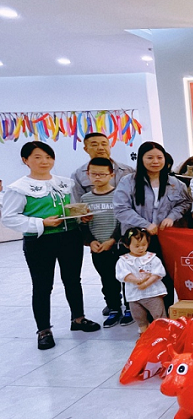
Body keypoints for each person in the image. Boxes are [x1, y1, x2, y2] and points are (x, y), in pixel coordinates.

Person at [2, 142, 100, 350]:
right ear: (25, 160)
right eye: (37, 157)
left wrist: (82, 216)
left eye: (48, 157)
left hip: (70, 237)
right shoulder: (19, 188)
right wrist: (41, 223)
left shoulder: (65, 183)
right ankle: (44, 330)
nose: (44, 161)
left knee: (73, 280)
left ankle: (78, 318)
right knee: (42, 286)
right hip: (39, 241)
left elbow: (73, 208)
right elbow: (9, 217)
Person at [114, 141, 191, 311]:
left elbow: (185, 203)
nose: (155, 161)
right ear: (141, 159)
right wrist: (145, 224)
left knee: (163, 274)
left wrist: (172, 216)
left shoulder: (174, 183)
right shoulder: (128, 182)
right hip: (137, 239)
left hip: (165, 238)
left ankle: (165, 313)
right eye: (149, 157)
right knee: (137, 275)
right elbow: (121, 209)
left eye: (159, 157)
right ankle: (141, 316)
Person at [80, 157, 134, 328]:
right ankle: (114, 308)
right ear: (88, 175)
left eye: (102, 174)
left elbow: (123, 220)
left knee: (127, 278)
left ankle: (130, 309)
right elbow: (82, 223)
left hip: (120, 246)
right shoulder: (85, 198)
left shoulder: (120, 195)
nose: (98, 177)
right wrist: (91, 241)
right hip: (98, 248)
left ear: (111, 175)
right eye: (94, 174)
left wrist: (113, 239)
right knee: (107, 280)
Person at [115, 227, 167, 334]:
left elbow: (158, 273)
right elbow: (123, 275)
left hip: (153, 293)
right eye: (137, 246)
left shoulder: (152, 258)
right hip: (134, 295)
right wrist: (137, 280)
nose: (141, 248)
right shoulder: (123, 260)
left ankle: (163, 334)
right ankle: (144, 334)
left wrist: (146, 283)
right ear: (127, 245)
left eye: (144, 244)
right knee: (139, 317)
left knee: (159, 314)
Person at [70, 132, 135, 201]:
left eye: (104, 144)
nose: (101, 148)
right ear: (86, 149)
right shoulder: (78, 175)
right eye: (95, 145)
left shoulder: (128, 170)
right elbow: (77, 202)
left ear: (110, 146)